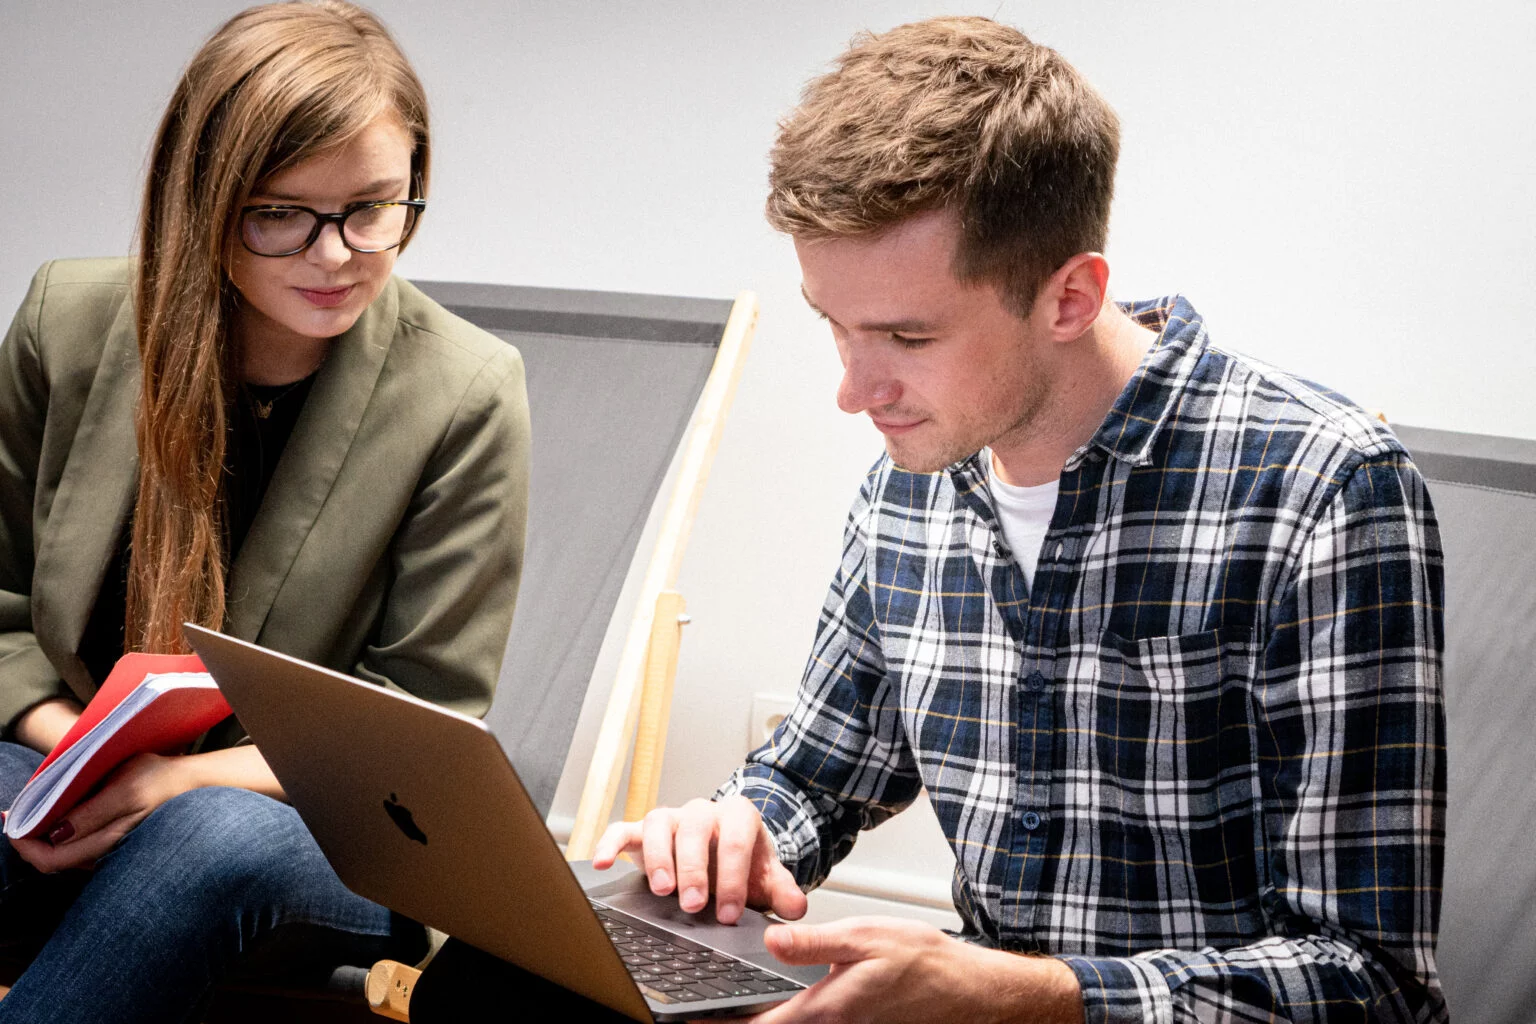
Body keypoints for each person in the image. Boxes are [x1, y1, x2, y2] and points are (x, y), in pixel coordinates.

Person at [592, 17, 1447, 1023]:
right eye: (835, 324)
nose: (854, 391)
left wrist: (1036, 997)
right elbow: (818, 775)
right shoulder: (909, 480)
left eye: (907, 335)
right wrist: (739, 831)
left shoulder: (1324, 492)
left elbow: (1370, 983)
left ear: (1072, 296)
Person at [0, 2, 529, 1020]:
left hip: (306, 834)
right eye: (280, 214)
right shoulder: (67, 320)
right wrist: (77, 764)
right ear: (201, 200)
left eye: (376, 207)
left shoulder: (466, 392)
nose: (336, 255)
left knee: (208, 838)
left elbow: (420, 717)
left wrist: (167, 788)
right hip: (53, 753)